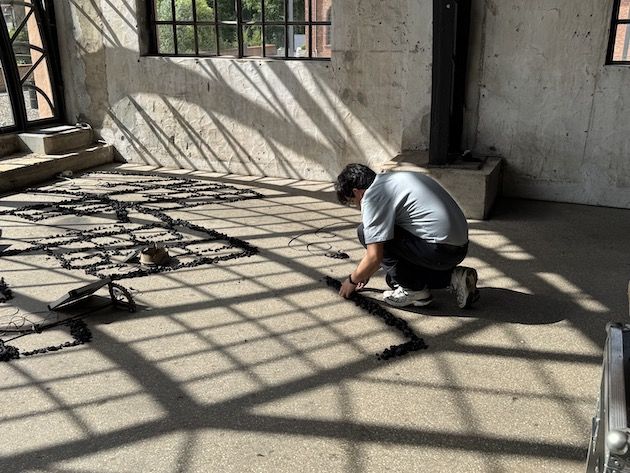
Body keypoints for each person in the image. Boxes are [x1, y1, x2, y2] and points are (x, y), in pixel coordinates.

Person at [334, 163, 479, 308]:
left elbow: (375, 256)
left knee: (363, 232)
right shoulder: (391, 179)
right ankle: (454, 278)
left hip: (440, 250)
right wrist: (365, 272)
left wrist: (352, 280)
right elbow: (382, 254)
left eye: (352, 201)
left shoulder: (372, 197)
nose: (357, 206)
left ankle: (414, 292)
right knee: (394, 278)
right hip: (458, 247)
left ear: (357, 192)